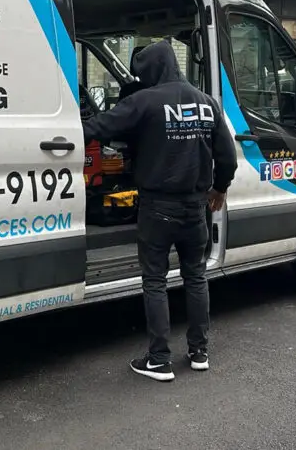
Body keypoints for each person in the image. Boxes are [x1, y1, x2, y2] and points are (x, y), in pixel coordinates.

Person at [82, 40, 237, 382]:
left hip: (157, 208)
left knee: (155, 280)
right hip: (196, 207)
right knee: (195, 276)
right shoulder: (207, 103)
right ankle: (199, 352)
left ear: (152, 70)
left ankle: (159, 359)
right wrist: (220, 188)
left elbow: (97, 127)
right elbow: (226, 156)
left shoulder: (144, 101)